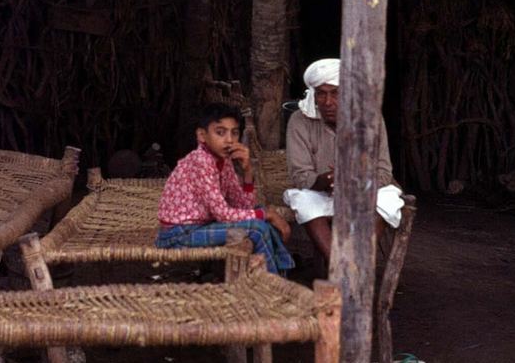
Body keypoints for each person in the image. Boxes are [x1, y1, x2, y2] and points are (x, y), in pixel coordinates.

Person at [283, 58, 403, 272]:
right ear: (314, 95)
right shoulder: (299, 121)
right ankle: (344, 270)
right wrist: (325, 181)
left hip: (363, 190)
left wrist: (355, 180)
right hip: (320, 191)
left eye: (336, 93)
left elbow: (384, 171)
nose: (328, 102)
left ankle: (357, 261)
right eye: (321, 93)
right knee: (303, 201)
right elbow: (300, 176)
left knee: (388, 199)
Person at [156, 102, 294, 274]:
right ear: (202, 135)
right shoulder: (201, 161)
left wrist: (247, 171)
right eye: (220, 132)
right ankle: (274, 281)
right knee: (258, 227)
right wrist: (268, 215)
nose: (229, 140)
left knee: (260, 213)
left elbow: (244, 206)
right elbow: (223, 214)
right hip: (177, 235)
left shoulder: (224, 161)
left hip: (201, 226)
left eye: (234, 133)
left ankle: (281, 271)